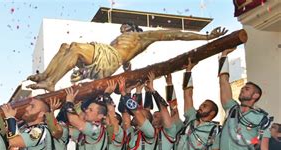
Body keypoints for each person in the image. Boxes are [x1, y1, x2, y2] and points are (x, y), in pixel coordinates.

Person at [27, 24, 227, 91]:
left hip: (109, 58)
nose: (121, 29)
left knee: (77, 48)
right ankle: (46, 76)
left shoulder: (142, 37)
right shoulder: (123, 42)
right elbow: (127, 62)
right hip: (106, 58)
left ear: (132, 29)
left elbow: (175, 34)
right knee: (66, 47)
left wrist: (206, 37)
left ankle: (51, 81)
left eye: (125, 28)